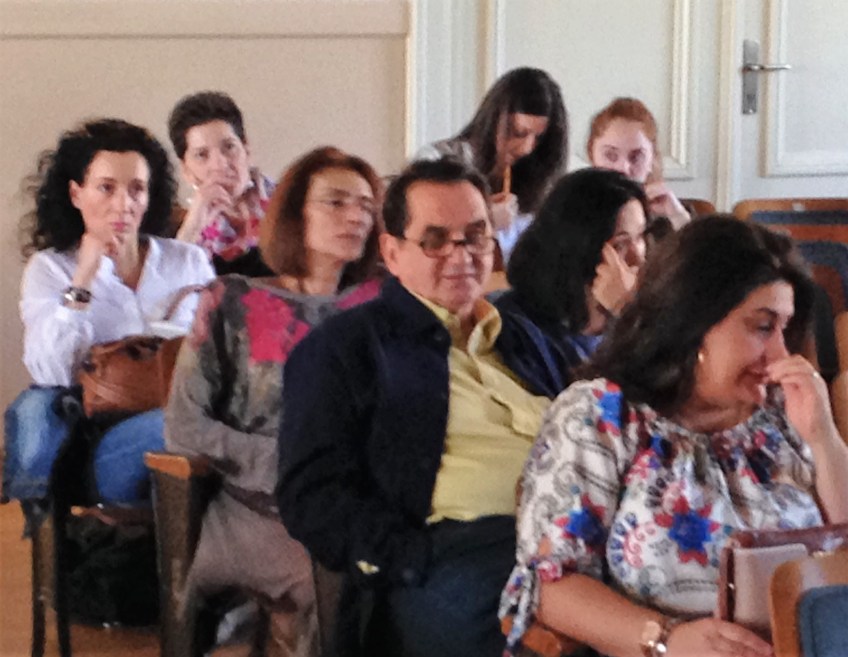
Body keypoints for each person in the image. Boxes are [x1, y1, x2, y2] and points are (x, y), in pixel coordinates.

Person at [500, 216, 848, 657]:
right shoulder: (604, 416)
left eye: (785, 328)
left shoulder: (785, 411)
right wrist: (666, 639)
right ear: (694, 323)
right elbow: (551, 583)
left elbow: (843, 553)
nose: (780, 353)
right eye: (762, 327)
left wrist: (823, 438)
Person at [276, 157, 572, 657]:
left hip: (574, 535)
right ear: (391, 252)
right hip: (454, 550)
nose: (461, 255)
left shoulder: (524, 338)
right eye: (435, 240)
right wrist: (405, 556)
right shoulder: (346, 348)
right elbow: (311, 495)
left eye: (475, 236)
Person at [164, 146, 384, 656]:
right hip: (258, 506)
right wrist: (288, 462)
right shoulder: (232, 300)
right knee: (346, 582)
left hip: (360, 497)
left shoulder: (378, 305)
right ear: (294, 214)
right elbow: (183, 424)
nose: (356, 216)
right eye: (336, 202)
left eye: (367, 206)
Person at [4, 118, 214, 508]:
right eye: (106, 188)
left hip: (187, 415)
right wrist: (84, 278)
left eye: (137, 189)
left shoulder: (187, 262)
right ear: (76, 193)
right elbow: (51, 373)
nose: (123, 204)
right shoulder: (51, 269)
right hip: (104, 441)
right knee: (177, 425)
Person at [496, 168, 648, 380]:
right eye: (620, 244)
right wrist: (625, 314)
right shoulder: (520, 330)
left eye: (640, 236)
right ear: (580, 248)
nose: (638, 258)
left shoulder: (644, 308)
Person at [416, 67, 568, 264]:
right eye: (518, 133)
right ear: (495, 122)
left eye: (538, 138)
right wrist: (485, 220)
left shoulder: (542, 180)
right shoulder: (437, 159)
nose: (526, 149)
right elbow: (420, 229)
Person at [168, 90, 276, 276]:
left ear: (246, 149)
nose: (220, 164)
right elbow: (169, 286)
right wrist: (192, 227)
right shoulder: (178, 230)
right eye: (202, 155)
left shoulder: (290, 201)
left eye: (229, 147)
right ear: (186, 170)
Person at [587, 96, 691, 233]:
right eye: (610, 155)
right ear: (592, 155)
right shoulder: (571, 212)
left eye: (636, 157)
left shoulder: (670, 217)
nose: (623, 168)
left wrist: (678, 218)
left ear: (652, 159)